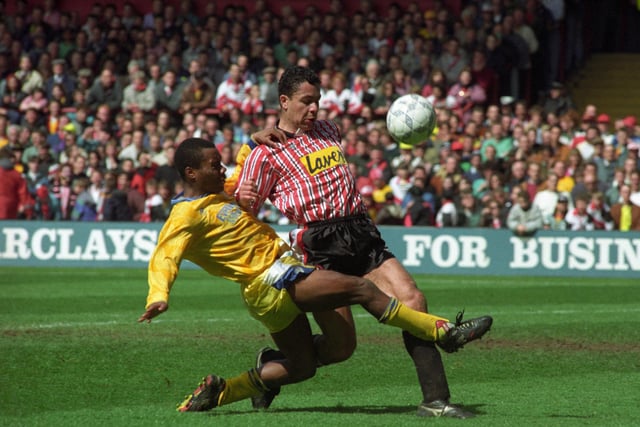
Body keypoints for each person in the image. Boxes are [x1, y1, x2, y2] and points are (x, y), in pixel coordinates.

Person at [138, 138, 492, 413]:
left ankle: (223, 390)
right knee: (360, 289)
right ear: (191, 173)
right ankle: (443, 331)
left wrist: (252, 141)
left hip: (263, 296)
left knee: (307, 364)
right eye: (215, 166)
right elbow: (164, 257)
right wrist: (159, 295)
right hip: (273, 277)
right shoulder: (184, 217)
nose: (223, 170)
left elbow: (243, 167)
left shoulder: (221, 191)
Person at [234, 66, 489, 418]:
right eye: (306, 102)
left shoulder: (328, 130)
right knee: (341, 348)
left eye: (318, 101)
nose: (314, 109)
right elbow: (242, 211)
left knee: (413, 299)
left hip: (360, 231)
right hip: (318, 245)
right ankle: (274, 367)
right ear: (284, 101)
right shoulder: (264, 153)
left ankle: (436, 401)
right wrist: (243, 188)